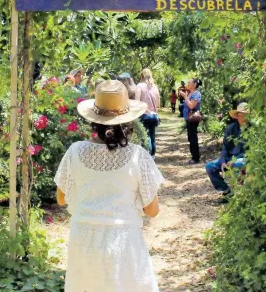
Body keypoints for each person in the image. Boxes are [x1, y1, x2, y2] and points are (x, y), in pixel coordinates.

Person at [55, 80, 163, 292]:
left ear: (94, 121)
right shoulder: (137, 156)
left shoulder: (75, 151)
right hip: (123, 242)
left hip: (84, 240)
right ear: (128, 121)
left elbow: (61, 198)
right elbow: (152, 210)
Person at [205, 103, 249, 196]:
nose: (243, 116)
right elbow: (225, 148)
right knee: (210, 167)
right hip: (230, 158)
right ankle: (226, 190)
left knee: (238, 164)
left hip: (246, 158)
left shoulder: (253, 129)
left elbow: (251, 151)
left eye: (245, 114)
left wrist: (235, 161)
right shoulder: (230, 128)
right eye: (240, 114)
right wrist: (223, 161)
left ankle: (242, 194)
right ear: (237, 116)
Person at [135, 69, 161, 157]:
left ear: (142, 76)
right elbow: (158, 103)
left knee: (147, 136)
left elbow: (137, 102)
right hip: (154, 115)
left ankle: (148, 155)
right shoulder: (154, 87)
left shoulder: (139, 86)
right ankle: (153, 155)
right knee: (153, 136)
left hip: (144, 115)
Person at [179, 78, 202, 164]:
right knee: (190, 137)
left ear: (195, 84)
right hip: (188, 118)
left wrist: (185, 97)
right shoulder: (190, 93)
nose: (187, 84)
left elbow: (192, 106)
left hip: (193, 118)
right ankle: (194, 156)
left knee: (193, 138)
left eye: (189, 82)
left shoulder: (196, 94)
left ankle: (196, 158)